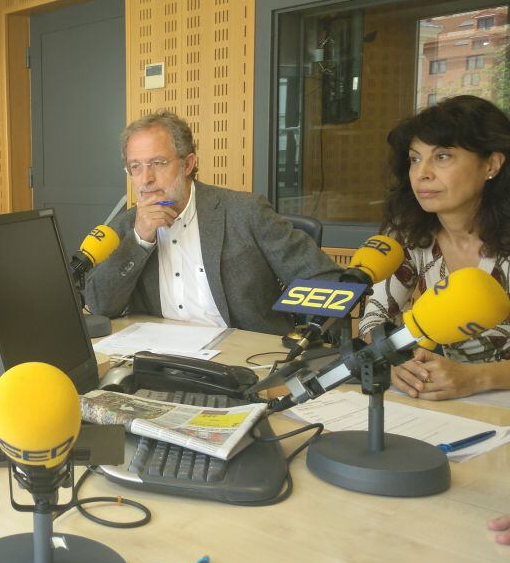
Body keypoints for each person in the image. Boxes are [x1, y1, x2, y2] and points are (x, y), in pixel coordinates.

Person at [84, 111, 339, 335]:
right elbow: (100, 306)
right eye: (135, 167)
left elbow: (327, 282)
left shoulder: (245, 212)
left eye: (158, 163)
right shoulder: (128, 227)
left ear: (188, 164)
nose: (146, 179)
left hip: (245, 357)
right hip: (162, 358)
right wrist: (139, 241)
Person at [359, 95, 510, 400]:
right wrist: (395, 361)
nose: (422, 173)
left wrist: (477, 378)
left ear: (491, 164)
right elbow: (374, 320)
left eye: (442, 157)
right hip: (442, 403)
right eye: (415, 158)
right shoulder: (408, 231)